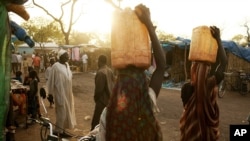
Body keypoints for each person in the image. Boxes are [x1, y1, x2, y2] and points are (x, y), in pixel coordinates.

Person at [93, 4, 166, 141]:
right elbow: (161, 66)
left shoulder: (108, 114)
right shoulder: (147, 104)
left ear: (118, 85)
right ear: (142, 84)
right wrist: (149, 26)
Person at [180, 26, 228, 141]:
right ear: (207, 71)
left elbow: (186, 108)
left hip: (190, 132)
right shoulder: (211, 83)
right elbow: (224, 62)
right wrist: (218, 39)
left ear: (192, 70)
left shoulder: (186, 88)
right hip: (207, 135)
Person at [47, 49, 76, 137]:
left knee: (67, 112)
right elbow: (51, 80)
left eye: (67, 55)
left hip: (68, 93)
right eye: (66, 55)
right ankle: (58, 131)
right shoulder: (55, 66)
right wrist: (50, 93)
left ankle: (62, 130)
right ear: (61, 56)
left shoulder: (67, 65)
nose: (68, 57)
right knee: (61, 112)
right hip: (60, 93)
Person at [90, 55, 115, 130]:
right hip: (109, 100)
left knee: (96, 122)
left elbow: (99, 90)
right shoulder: (109, 70)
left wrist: (96, 98)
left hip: (102, 101)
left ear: (100, 61)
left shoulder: (101, 72)